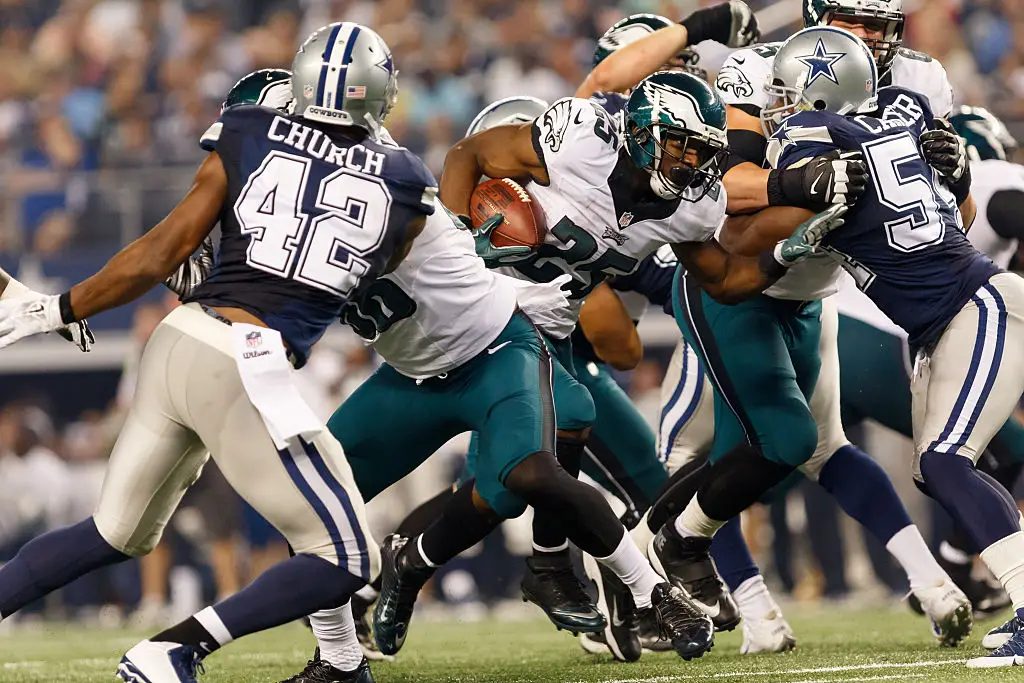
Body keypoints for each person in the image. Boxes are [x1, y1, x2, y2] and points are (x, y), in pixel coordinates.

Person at [370, 65, 849, 663]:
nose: (695, 163)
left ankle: (418, 566)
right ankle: (599, 582)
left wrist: (784, 254)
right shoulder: (578, 139)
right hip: (459, 327)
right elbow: (468, 154)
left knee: (502, 489)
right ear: (646, 132)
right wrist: (461, 237)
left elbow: (723, 283)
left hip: (534, 335)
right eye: (684, 145)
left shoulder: (691, 205)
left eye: (704, 150)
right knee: (567, 421)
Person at [0, 22, 431, 683]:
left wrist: (64, 306)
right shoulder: (405, 181)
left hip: (179, 342)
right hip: (246, 359)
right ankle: (173, 647)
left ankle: (341, 666)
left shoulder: (250, 130)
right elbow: (362, 276)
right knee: (347, 553)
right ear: (379, 96)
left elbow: (160, 251)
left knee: (117, 531)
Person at [641, 0, 976, 654]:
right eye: (853, 21)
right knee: (727, 446)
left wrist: (955, 172)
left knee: (824, 445)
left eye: (879, 24)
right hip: (734, 284)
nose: (867, 37)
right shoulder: (759, 69)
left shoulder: (919, 81)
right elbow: (727, 189)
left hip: (813, 290)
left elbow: (949, 219)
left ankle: (932, 582)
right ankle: (724, 590)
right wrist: (802, 178)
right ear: (817, 16)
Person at [760, 27, 1024, 668]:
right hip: (945, 322)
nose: (777, 105)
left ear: (820, 93)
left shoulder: (820, 143)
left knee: (947, 463)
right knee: (934, 471)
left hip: (976, 306)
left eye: (786, 91)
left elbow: (781, 194)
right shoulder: (890, 128)